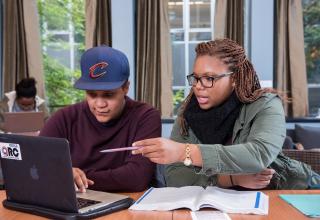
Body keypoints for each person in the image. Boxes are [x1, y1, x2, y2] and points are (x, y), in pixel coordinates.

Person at [132, 38, 320, 189]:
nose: (198, 86)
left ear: (235, 79)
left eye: (209, 78)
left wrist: (184, 152)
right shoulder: (188, 112)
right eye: (196, 78)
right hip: (222, 202)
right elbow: (175, 177)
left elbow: (258, 155)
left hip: (293, 191)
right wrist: (231, 179)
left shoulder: (266, 105)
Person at [40, 46, 161, 192]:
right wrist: (61, 174)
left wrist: (72, 177)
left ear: (126, 88)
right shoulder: (64, 118)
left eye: (108, 95)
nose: (99, 104)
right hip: (75, 202)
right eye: (92, 94)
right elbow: (38, 167)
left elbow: (137, 177)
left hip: (128, 204)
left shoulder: (146, 117)